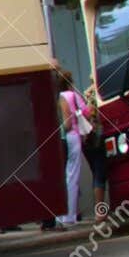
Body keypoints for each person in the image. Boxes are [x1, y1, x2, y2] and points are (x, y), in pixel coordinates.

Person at [58, 69, 93, 227]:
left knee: (66, 175)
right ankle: (70, 215)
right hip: (74, 136)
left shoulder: (59, 97)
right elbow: (85, 112)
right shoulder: (71, 95)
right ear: (70, 82)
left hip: (64, 138)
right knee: (73, 176)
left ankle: (64, 213)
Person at [85, 86, 108, 221]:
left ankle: (100, 210)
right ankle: (100, 212)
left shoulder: (85, 102)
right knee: (100, 175)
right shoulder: (93, 103)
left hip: (88, 144)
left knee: (96, 175)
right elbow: (94, 122)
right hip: (97, 142)